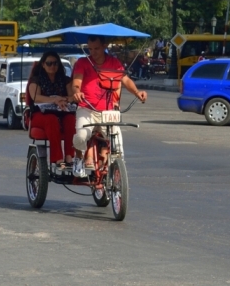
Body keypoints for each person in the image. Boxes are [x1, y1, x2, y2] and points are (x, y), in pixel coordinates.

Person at [71, 35, 147, 179]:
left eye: (97, 48)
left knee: (116, 143)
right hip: (86, 108)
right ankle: (79, 158)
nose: (93, 52)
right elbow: (76, 83)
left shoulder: (114, 63)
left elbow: (125, 80)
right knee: (81, 136)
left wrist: (137, 93)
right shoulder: (82, 62)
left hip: (107, 111)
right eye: (90, 49)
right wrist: (77, 92)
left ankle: (117, 171)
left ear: (105, 46)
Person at [26, 50, 74, 175]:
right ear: (43, 64)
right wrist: (54, 99)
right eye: (49, 63)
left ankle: (69, 157)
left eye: (55, 63)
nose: (53, 66)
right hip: (40, 114)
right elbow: (36, 97)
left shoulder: (65, 80)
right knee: (51, 119)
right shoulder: (36, 80)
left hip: (62, 111)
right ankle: (58, 159)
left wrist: (62, 100)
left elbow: (72, 97)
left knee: (71, 119)